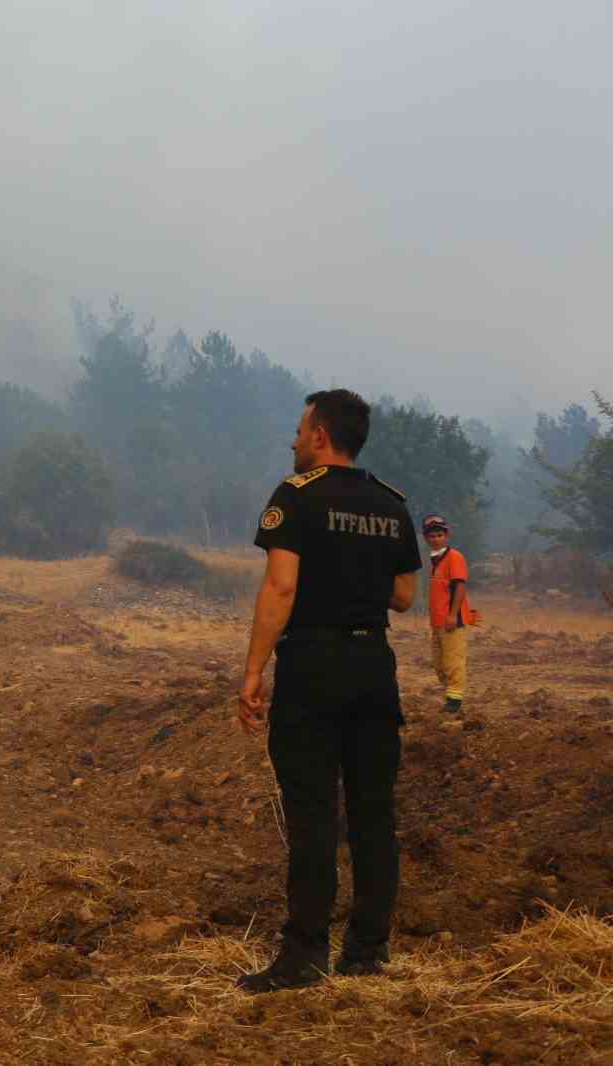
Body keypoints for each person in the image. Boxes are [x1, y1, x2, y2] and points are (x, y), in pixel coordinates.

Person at [235, 389, 423, 992]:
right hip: (374, 664)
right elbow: (403, 596)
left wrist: (252, 673)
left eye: (298, 430)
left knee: (314, 812)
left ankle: (305, 955)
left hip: (313, 665)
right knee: (373, 814)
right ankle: (367, 952)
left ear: (320, 436)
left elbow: (281, 587)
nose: (292, 441)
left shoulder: (295, 496)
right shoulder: (391, 504)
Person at [421, 515, 474, 714]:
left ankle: (454, 700)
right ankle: (451, 692)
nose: (436, 539)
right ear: (426, 538)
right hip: (437, 621)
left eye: (440, 535)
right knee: (438, 662)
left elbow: (460, 586)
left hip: (452, 620)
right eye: (432, 535)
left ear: (447, 535)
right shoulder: (434, 559)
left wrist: (452, 615)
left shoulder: (455, 557)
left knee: (453, 660)